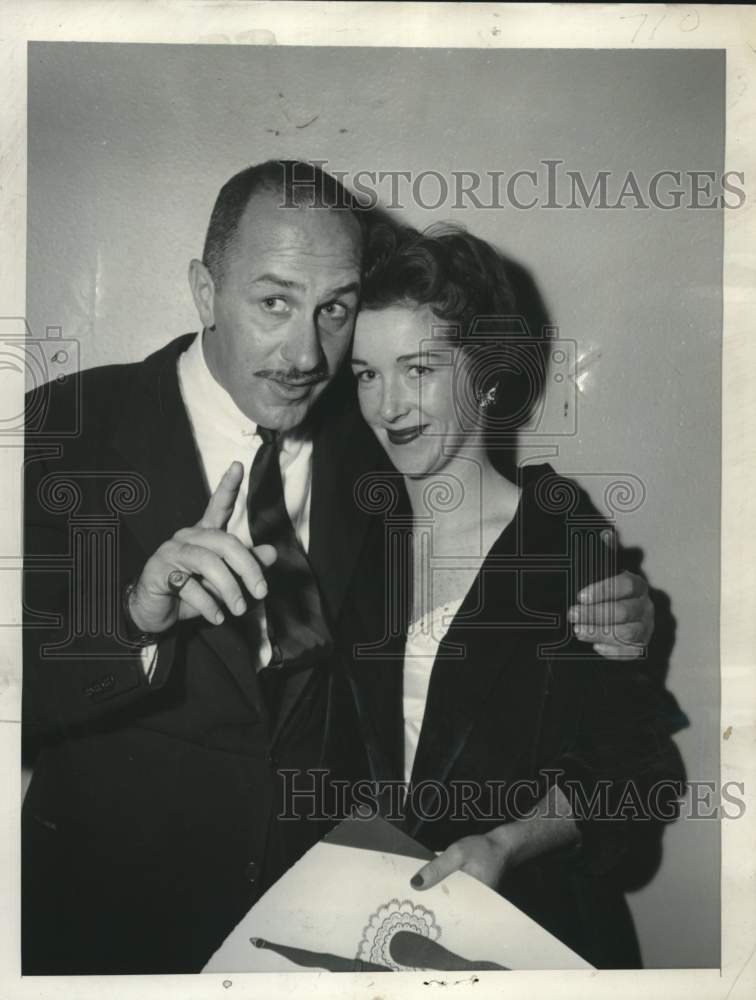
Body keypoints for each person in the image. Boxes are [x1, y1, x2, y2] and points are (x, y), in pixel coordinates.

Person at [22, 161, 656, 974]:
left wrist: (630, 610)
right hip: (106, 928)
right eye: (274, 301)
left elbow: (528, 615)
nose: (305, 354)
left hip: (322, 932)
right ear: (204, 290)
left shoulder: (374, 448)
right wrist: (131, 619)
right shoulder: (63, 426)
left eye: (334, 313)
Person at [342, 223, 686, 968]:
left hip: (531, 937)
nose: (388, 404)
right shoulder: (355, 548)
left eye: (419, 368)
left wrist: (507, 841)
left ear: (490, 373)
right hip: (372, 934)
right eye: (366, 373)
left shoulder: (562, 543)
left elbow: (637, 775)